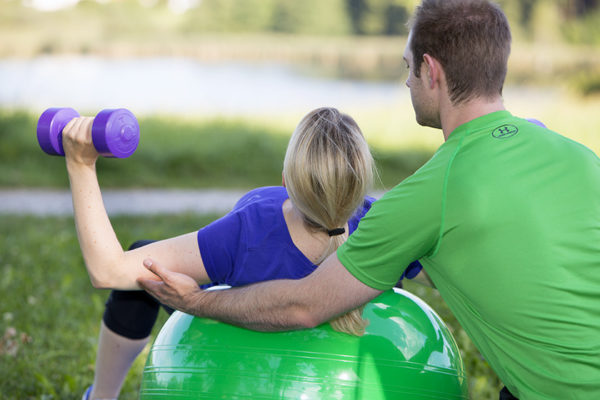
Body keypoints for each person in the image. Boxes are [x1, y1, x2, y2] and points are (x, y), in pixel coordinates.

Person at [138, 1, 600, 399]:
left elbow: (304, 306)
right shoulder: (579, 156)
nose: (406, 83)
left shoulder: (426, 196)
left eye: (407, 68)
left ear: (431, 72)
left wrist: (196, 302)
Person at [62, 107, 414, 400]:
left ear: (286, 181)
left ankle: (101, 397)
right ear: (359, 185)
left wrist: (81, 164)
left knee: (141, 269)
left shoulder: (251, 227)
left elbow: (108, 269)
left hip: (244, 339)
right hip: (349, 369)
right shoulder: (380, 223)